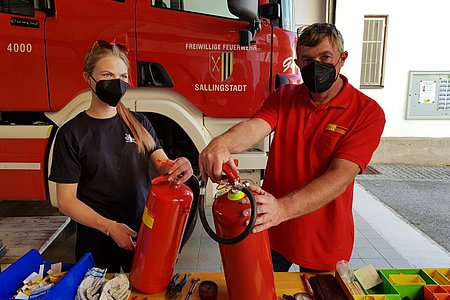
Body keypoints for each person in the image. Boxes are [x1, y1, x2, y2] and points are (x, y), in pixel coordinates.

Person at [199, 23, 385, 271]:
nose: (316, 66)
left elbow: (341, 175)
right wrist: (221, 144)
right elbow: (255, 127)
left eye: (325, 57)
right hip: (274, 228)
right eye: (307, 60)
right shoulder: (284, 96)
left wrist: (282, 208)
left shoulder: (366, 112)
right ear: (297, 63)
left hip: (324, 238)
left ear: (342, 59)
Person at [49, 40, 193, 272]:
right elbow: (66, 202)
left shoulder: (139, 123)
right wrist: (110, 228)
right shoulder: (72, 133)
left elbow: (161, 163)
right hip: (96, 237)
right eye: (107, 74)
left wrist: (179, 165)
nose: (117, 82)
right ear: (89, 78)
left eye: (123, 76)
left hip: (142, 230)